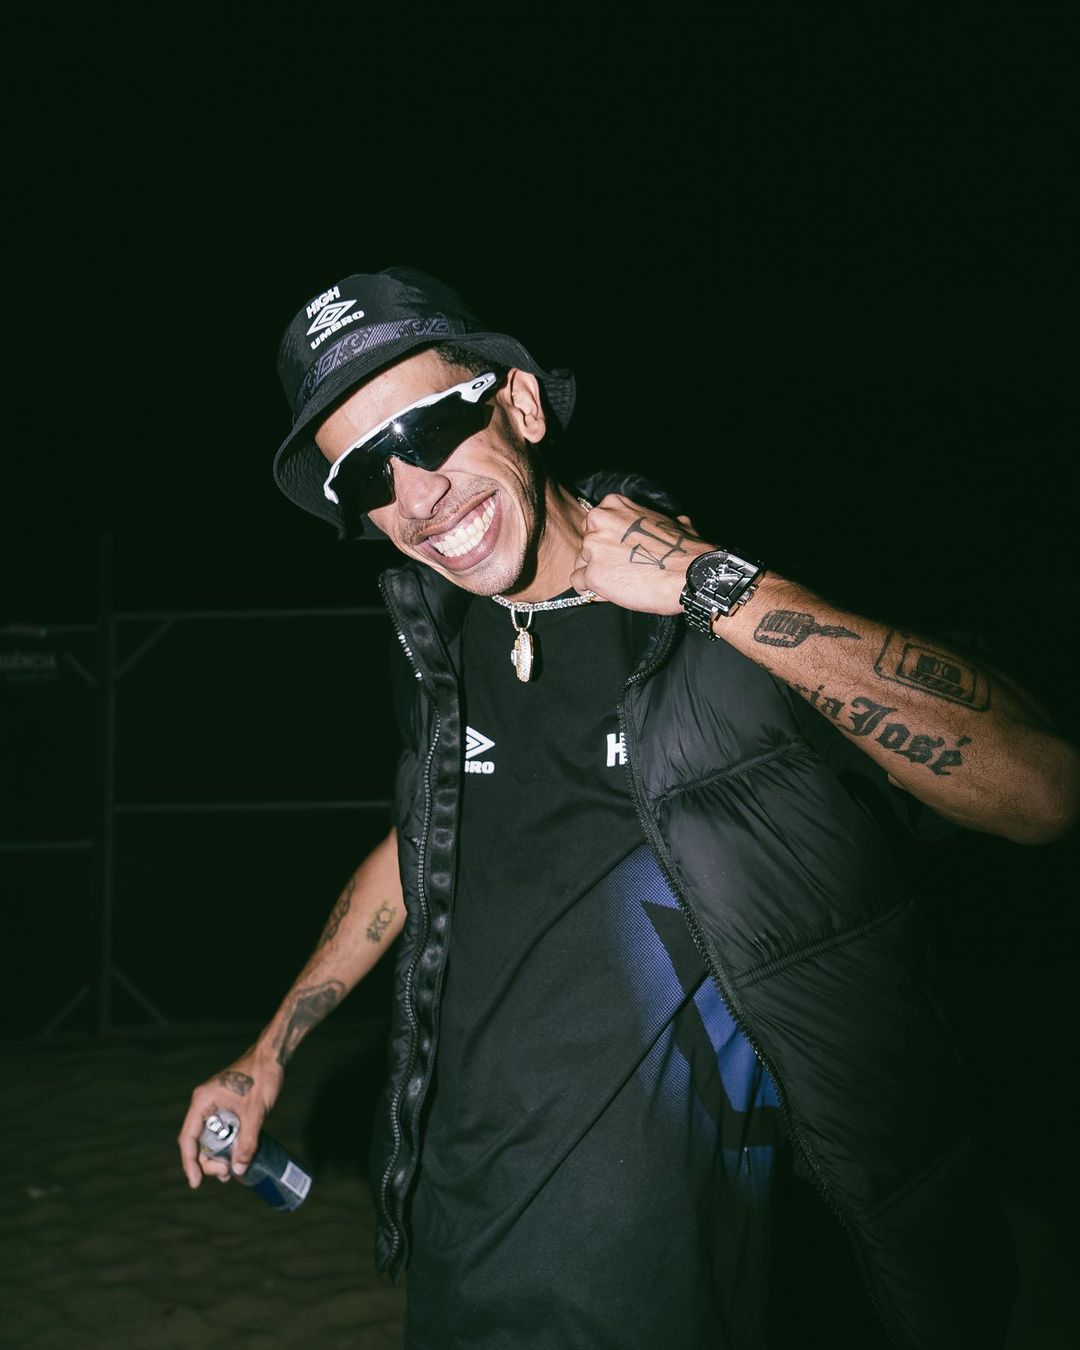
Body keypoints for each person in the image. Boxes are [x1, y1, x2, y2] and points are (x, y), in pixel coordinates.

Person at [179, 266, 1078, 1348]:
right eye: (366, 473)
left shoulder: (713, 624)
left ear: (519, 403)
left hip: (681, 1279)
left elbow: (1039, 791)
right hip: (465, 1254)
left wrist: (714, 587)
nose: (417, 497)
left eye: (426, 430)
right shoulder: (439, 645)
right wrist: (270, 1048)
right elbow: (424, 839)